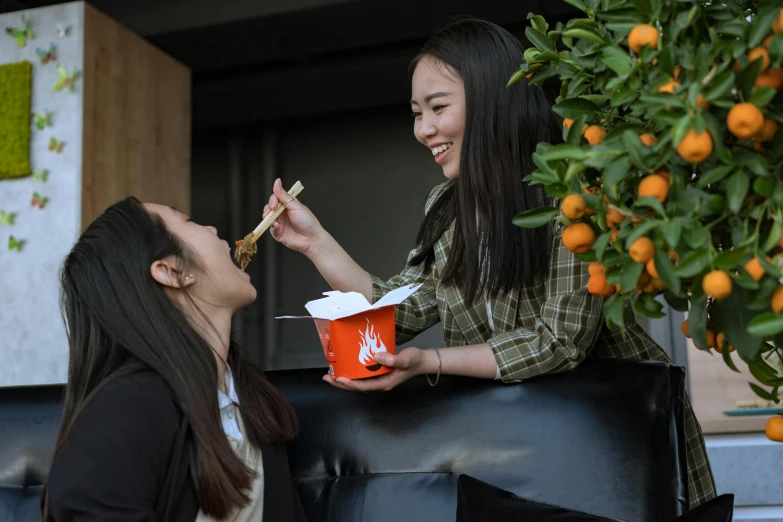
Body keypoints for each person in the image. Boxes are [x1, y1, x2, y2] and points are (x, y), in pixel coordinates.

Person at [261, 17, 716, 510]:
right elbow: (402, 311)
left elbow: (559, 341)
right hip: (514, 441)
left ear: (492, 99)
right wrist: (314, 243)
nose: (423, 129)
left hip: (614, 435)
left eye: (437, 107)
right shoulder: (446, 205)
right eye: (416, 113)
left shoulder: (573, 190)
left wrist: (427, 364)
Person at [43, 197, 306, 522]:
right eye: (190, 222)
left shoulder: (251, 399)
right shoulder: (126, 409)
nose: (211, 228)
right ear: (173, 271)